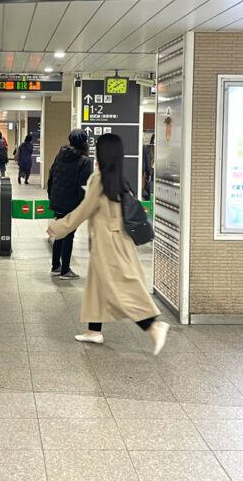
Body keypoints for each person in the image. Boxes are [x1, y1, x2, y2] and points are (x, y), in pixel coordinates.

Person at [47, 133, 169, 355]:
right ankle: (94, 331)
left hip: (108, 245)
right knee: (97, 287)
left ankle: (153, 326)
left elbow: (85, 210)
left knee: (121, 288)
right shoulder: (119, 177)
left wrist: (58, 227)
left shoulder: (99, 179)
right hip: (117, 240)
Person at [47, 128, 93, 279]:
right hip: (72, 202)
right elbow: (83, 186)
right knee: (68, 234)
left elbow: (51, 175)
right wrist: (82, 206)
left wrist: (51, 195)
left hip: (58, 199)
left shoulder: (61, 154)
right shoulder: (85, 161)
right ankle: (65, 270)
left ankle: (55, 266)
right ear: (84, 142)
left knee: (60, 231)